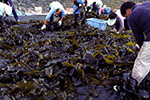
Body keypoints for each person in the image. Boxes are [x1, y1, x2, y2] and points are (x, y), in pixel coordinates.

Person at [120, 1, 150, 85]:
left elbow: (139, 37)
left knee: (141, 63)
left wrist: (142, 50)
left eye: (126, 16)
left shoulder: (133, 16)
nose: (128, 18)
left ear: (128, 10)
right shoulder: (146, 3)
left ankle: (133, 86)